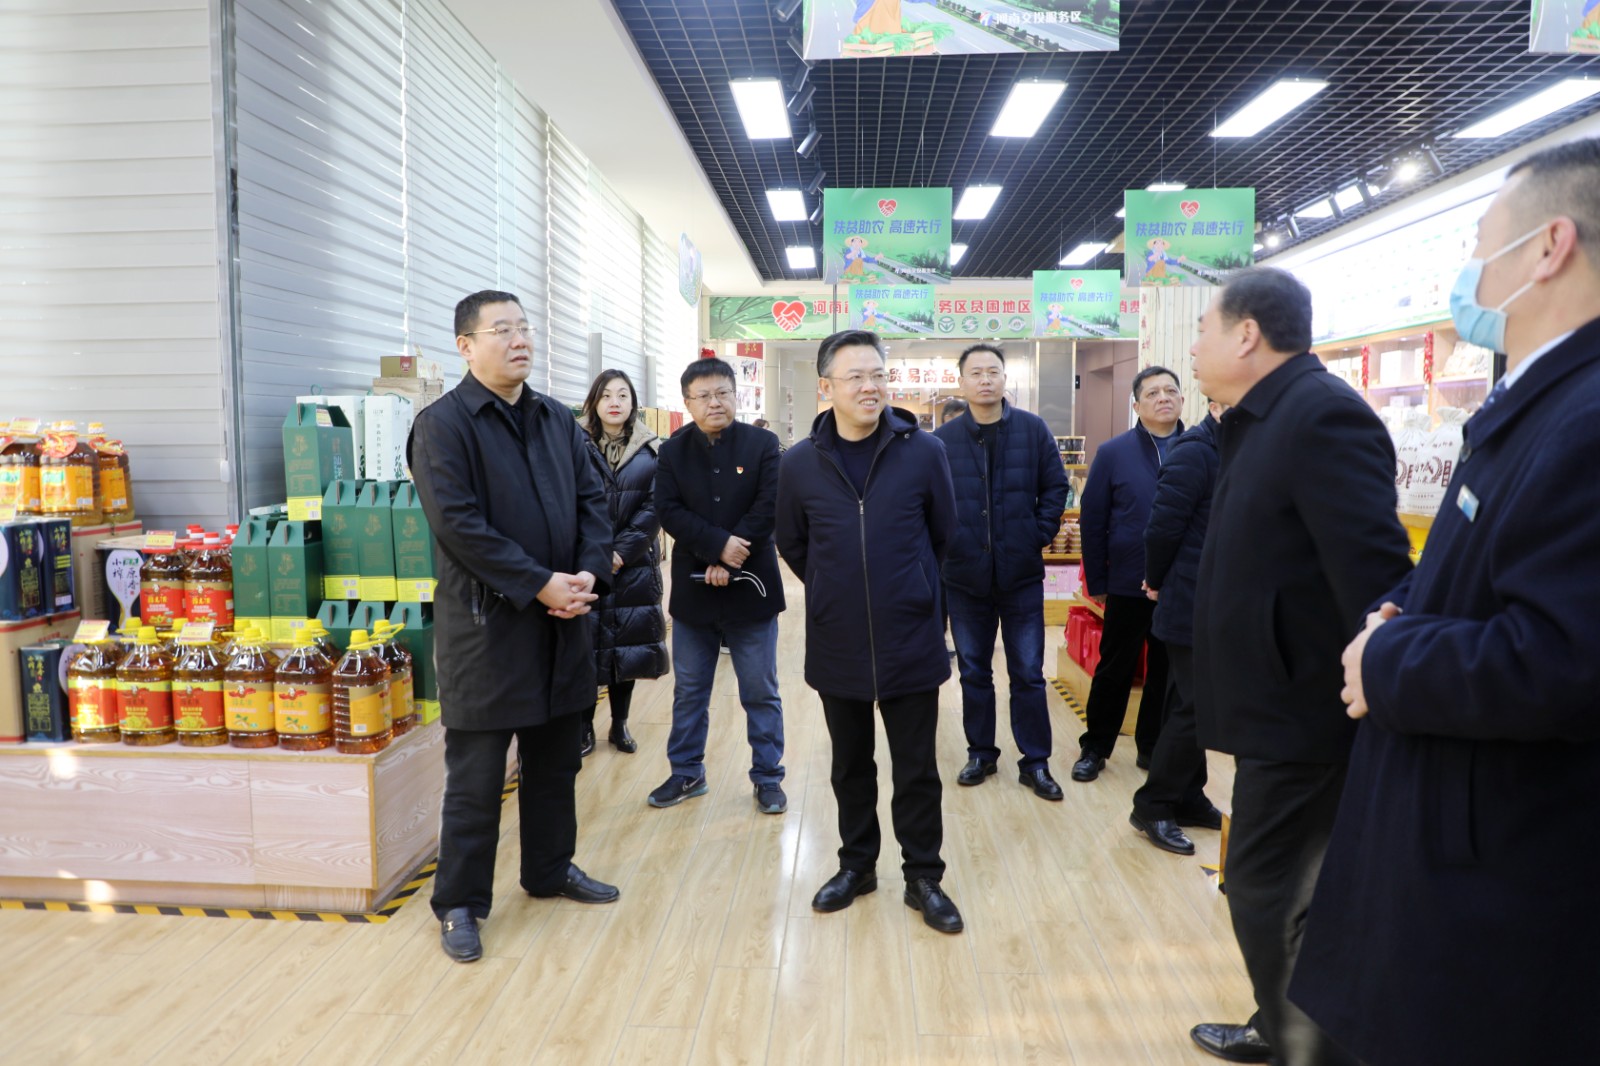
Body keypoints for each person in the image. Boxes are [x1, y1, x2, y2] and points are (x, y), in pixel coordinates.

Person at [1291, 140, 1600, 1066]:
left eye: (1478, 243)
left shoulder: (1584, 421)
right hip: (1451, 831)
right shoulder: (1535, 402)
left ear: (1548, 247)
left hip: (1501, 870)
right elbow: (1472, 576)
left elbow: (1564, 658)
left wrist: (1388, 659)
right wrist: (1400, 609)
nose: (1467, 271)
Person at [1186, 268, 1412, 1065]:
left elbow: (1378, 577)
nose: (1193, 346)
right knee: (1276, 889)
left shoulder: (1320, 416)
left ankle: (1306, 1046)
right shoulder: (1261, 417)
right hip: (1271, 708)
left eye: (1204, 329)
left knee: (1267, 888)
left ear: (1247, 334)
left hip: (1308, 715)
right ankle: (1281, 1024)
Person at [409, 290, 620, 965]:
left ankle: (549, 870)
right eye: (502, 329)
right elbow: (459, 526)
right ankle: (460, 904)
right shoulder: (443, 425)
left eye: (524, 327)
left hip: (563, 623)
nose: (519, 339)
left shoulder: (556, 418)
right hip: (487, 632)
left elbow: (593, 502)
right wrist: (538, 583)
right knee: (476, 781)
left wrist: (586, 573)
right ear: (466, 346)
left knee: (556, 763)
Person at [775, 328, 963, 934]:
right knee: (850, 765)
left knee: (917, 768)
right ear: (826, 387)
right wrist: (833, 586)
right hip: (839, 638)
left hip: (910, 635)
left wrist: (911, 586)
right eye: (855, 376)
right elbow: (793, 543)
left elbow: (943, 533)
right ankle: (857, 866)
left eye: (878, 374)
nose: (870, 386)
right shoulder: (799, 464)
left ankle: (923, 876)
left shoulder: (924, 452)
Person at [933, 344, 1070, 800]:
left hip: (1020, 574)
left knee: (1028, 672)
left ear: (1004, 379)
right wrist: (950, 544)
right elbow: (929, 501)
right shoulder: (943, 440)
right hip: (964, 577)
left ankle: (1036, 762)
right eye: (976, 373)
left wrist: (1037, 533)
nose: (985, 379)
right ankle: (981, 753)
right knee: (974, 670)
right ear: (962, 382)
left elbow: (1056, 486)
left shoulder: (1032, 429)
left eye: (993, 371)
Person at [651, 357, 788, 814]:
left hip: (753, 587)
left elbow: (770, 506)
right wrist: (716, 549)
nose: (715, 402)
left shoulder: (763, 445)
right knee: (690, 690)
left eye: (723, 393)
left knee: (760, 690)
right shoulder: (672, 452)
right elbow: (668, 511)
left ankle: (768, 777)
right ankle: (686, 772)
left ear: (737, 395)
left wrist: (732, 553)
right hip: (695, 591)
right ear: (688, 403)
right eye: (704, 396)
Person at [1072, 366, 1184, 782]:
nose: (1163, 398)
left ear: (1182, 399)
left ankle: (1152, 748)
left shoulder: (1201, 447)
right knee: (1115, 667)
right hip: (1128, 579)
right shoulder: (1114, 452)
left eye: (1170, 390)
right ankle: (1095, 747)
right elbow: (1093, 519)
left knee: (1167, 671)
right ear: (1136, 405)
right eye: (1152, 393)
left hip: (1180, 583)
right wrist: (1098, 582)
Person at [1128, 400, 1227, 855]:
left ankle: (1187, 795)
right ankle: (1154, 804)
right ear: (1216, 405)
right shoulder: (1195, 451)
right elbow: (1162, 528)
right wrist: (1155, 580)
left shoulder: (1234, 447)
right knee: (1198, 705)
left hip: (1219, 597)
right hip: (1189, 597)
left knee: (1183, 701)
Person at [577, 368, 667, 759]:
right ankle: (583, 727)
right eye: (606, 395)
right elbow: (566, 502)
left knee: (626, 648)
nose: (614, 402)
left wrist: (621, 552)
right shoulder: (573, 445)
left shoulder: (651, 450)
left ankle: (619, 724)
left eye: (622, 395)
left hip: (633, 565)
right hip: (585, 563)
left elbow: (656, 505)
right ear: (594, 402)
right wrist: (598, 554)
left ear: (633, 403)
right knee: (585, 648)